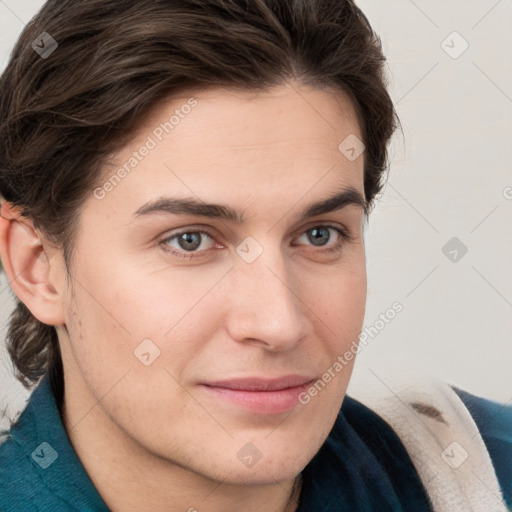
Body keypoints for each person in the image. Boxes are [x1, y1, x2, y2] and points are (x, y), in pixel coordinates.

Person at [0, 1, 510, 511]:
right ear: (38, 266)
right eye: (190, 240)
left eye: (318, 235)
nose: (279, 323)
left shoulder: (484, 474)